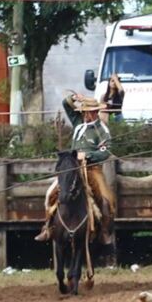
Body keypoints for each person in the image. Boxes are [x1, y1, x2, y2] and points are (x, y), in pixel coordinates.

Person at [34, 93, 116, 246]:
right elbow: (66, 104)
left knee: (106, 200)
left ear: (95, 112)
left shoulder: (102, 130)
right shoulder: (78, 123)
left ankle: (104, 232)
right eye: (84, 111)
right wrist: (74, 97)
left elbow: (105, 152)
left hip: (92, 169)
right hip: (73, 169)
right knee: (49, 194)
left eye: (89, 112)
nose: (86, 114)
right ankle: (47, 227)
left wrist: (88, 155)